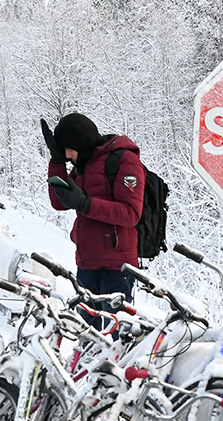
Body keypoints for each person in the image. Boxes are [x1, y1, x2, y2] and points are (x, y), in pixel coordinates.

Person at [41, 113, 145, 327]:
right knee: (87, 339)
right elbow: (59, 202)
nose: (68, 155)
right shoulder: (84, 164)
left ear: (80, 144)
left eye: (68, 150)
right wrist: (57, 163)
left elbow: (131, 212)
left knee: (114, 339)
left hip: (117, 269)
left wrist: (85, 204)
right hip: (87, 264)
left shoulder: (125, 161)